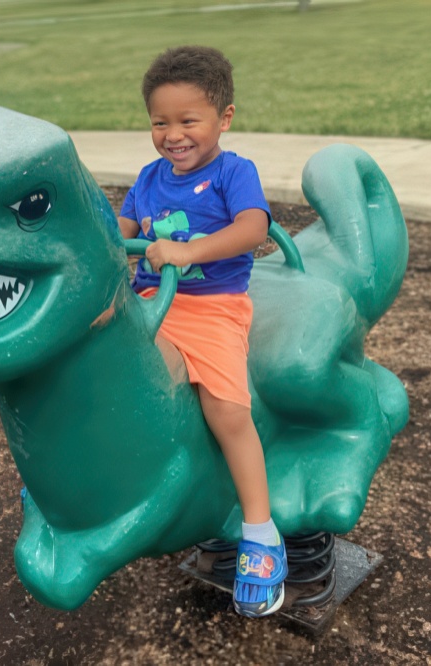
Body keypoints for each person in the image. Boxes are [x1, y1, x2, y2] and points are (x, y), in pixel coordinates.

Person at [117, 45, 287, 618]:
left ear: (224, 119)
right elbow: (120, 227)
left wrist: (189, 250)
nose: (173, 134)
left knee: (226, 411)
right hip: (149, 300)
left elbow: (252, 228)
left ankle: (261, 534)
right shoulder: (148, 178)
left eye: (188, 120)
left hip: (211, 305)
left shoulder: (233, 173)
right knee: (101, 373)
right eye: (160, 122)